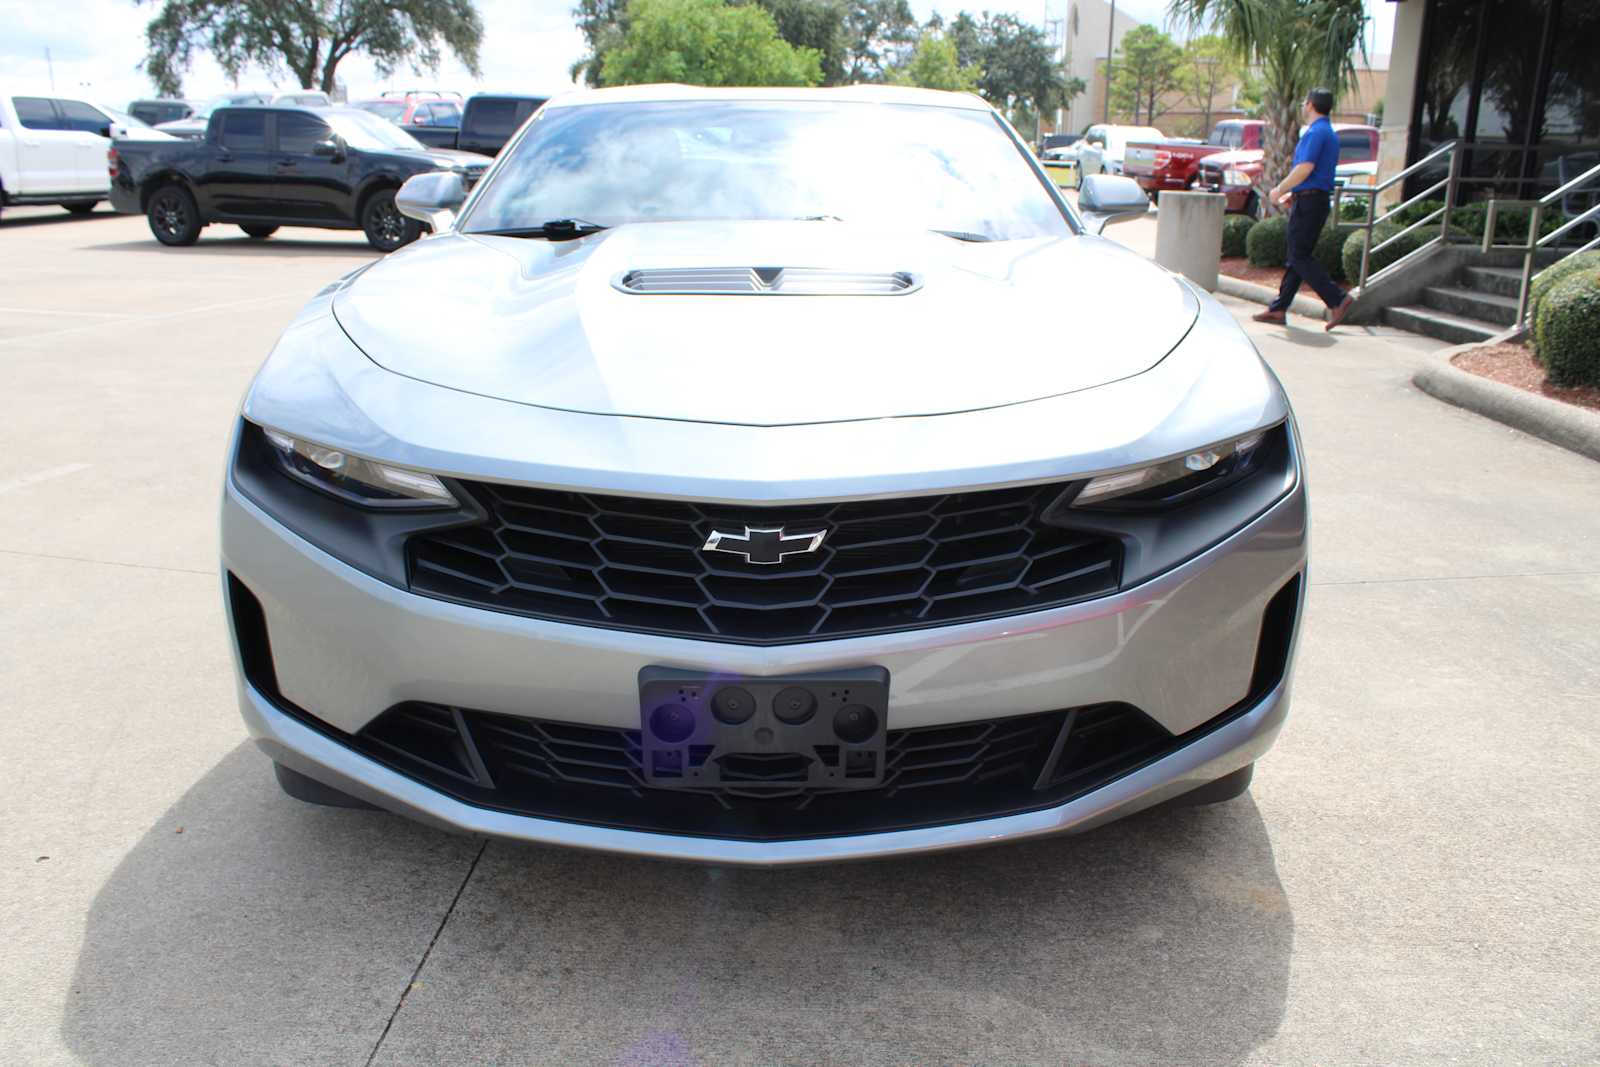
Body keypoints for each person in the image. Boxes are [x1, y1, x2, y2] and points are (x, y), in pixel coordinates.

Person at [1252, 89, 1355, 331]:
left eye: (1304, 103)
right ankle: (1279, 308)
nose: (1302, 106)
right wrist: (1296, 193)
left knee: (1299, 256)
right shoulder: (1327, 132)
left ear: (1310, 105)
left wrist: (1280, 189)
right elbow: (1314, 173)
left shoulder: (1316, 133)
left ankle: (1338, 299)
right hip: (1312, 199)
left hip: (1310, 202)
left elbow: (1305, 168)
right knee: (1297, 255)